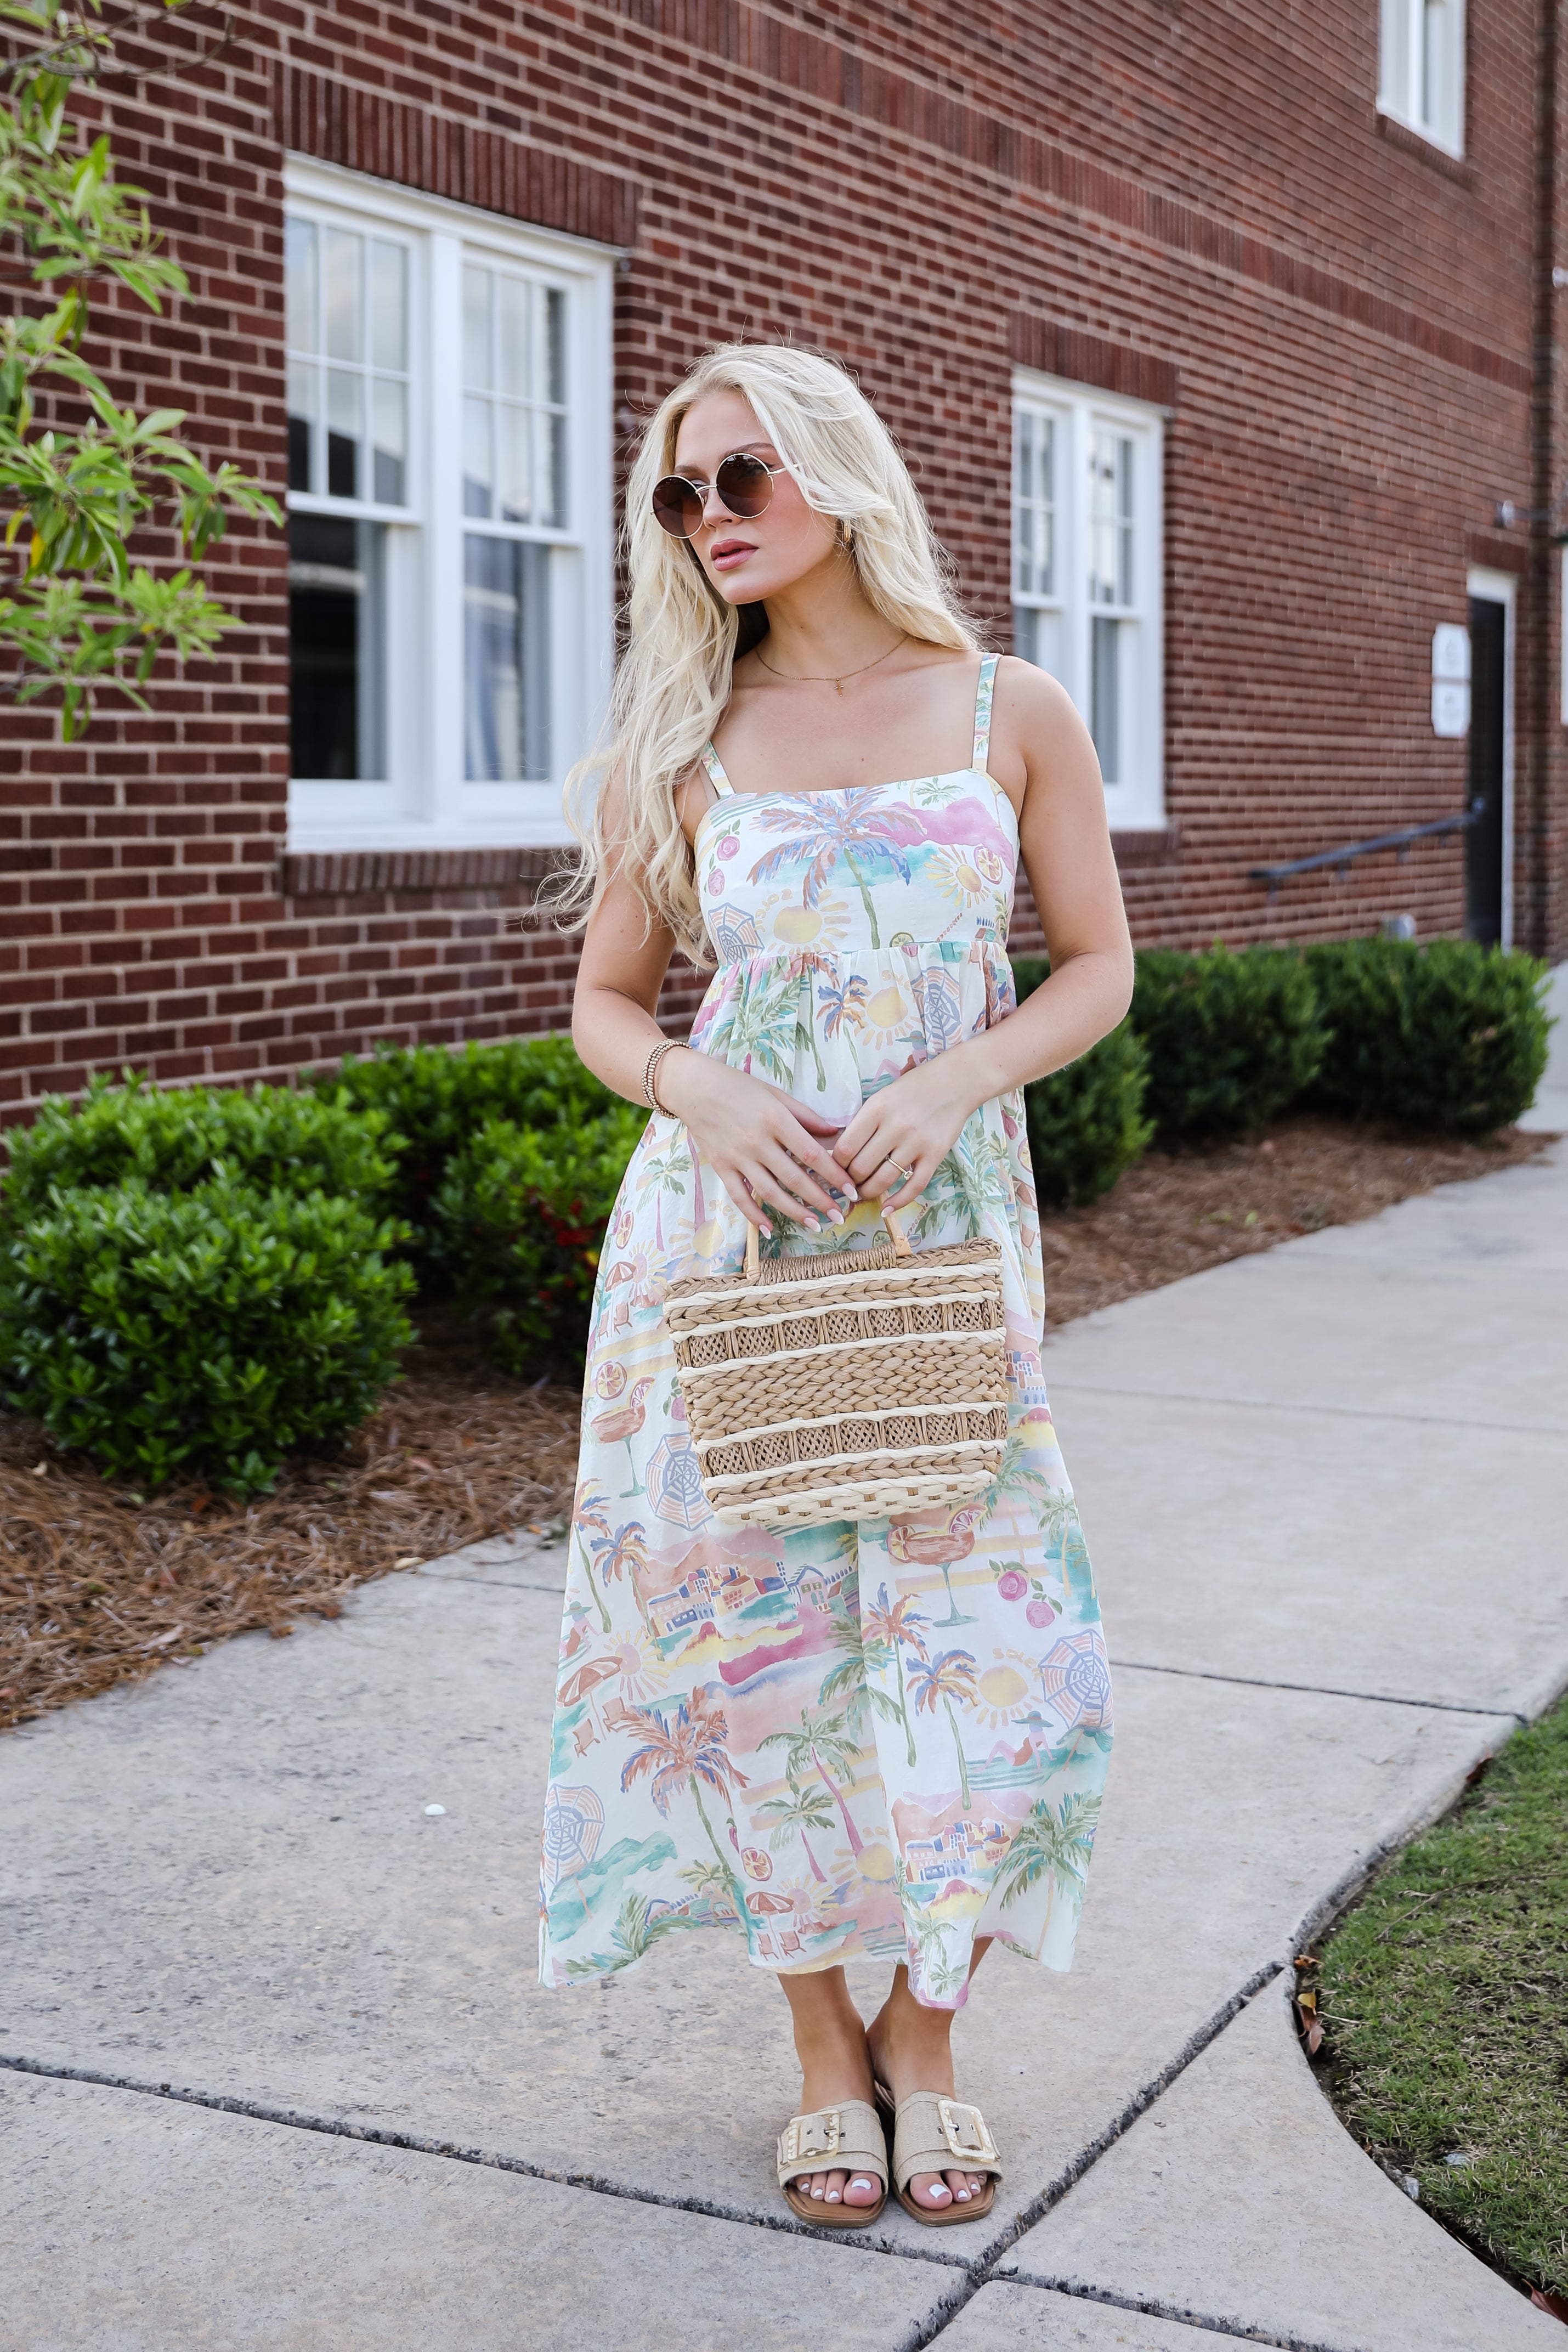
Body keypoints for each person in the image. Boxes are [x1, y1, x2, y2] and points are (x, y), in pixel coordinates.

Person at [538, 343, 1129, 2229]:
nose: (707, 518)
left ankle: (922, 2033)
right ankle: (820, 2050)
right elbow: (605, 1006)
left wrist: (959, 1078)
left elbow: (1097, 966)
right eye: (677, 495)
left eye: (741, 478)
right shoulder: (684, 739)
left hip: (934, 1238)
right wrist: (695, 1086)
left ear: (836, 472)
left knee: (988, 1651)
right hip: (719, 1247)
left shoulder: (1008, 708)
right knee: (751, 1662)